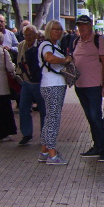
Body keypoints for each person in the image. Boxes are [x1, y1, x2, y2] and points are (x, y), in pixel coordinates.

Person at [73, 15, 104, 162]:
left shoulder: (98, 40)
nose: (81, 28)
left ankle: (103, 150)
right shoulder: (77, 41)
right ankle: (97, 146)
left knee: (96, 118)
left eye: (84, 25)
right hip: (80, 86)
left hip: (94, 86)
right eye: (79, 25)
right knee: (90, 118)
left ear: (90, 25)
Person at [38, 20, 73, 165]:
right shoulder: (46, 45)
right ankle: (52, 155)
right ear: (48, 31)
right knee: (53, 119)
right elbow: (49, 58)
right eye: (54, 29)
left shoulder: (53, 45)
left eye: (60, 29)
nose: (58, 32)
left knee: (49, 119)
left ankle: (44, 151)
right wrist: (65, 60)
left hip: (53, 85)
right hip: (53, 85)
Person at [16, 24, 46, 146]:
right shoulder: (21, 45)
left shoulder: (40, 45)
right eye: (26, 35)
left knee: (43, 110)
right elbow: (19, 60)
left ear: (35, 35)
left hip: (39, 82)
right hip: (26, 82)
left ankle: (45, 135)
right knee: (23, 108)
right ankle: (26, 134)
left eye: (30, 35)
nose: (28, 37)